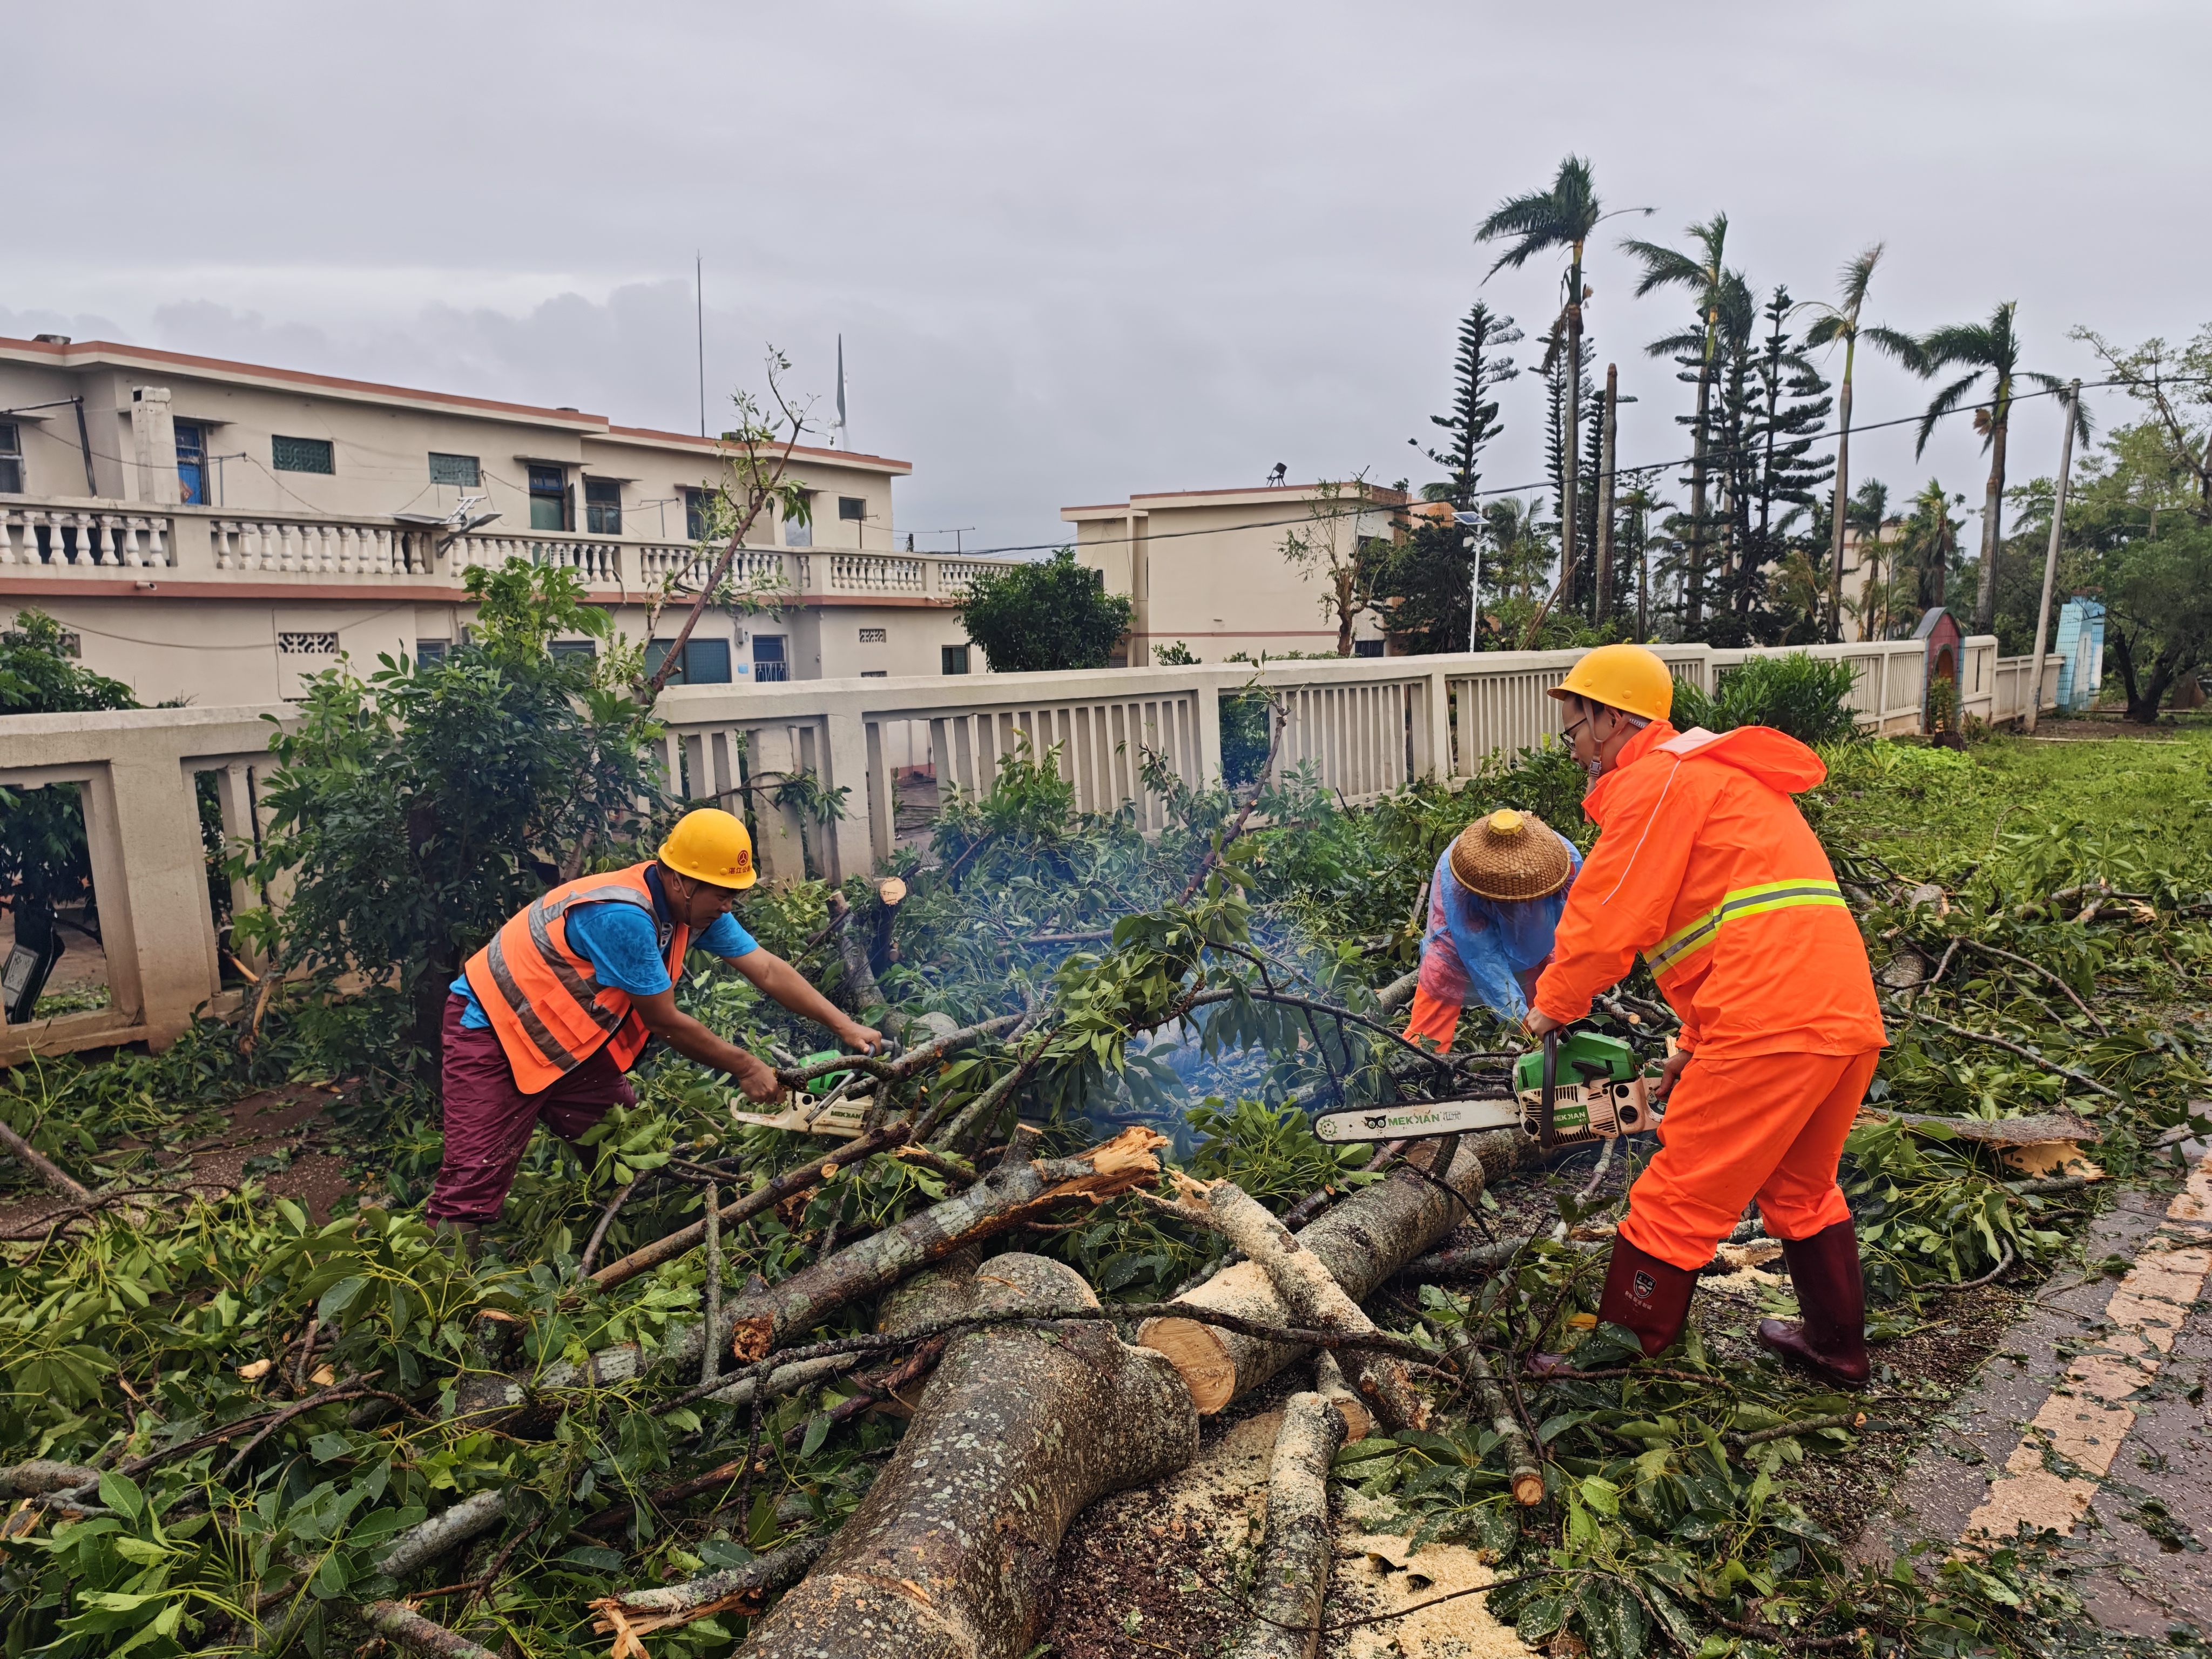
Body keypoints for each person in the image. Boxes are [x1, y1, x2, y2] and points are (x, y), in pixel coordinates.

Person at [1523, 644, 1885, 1386]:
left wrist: (1551, 1009)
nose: (1574, 748)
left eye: (1575, 728)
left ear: (1613, 719)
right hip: (1837, 1018)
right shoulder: (1714, 782)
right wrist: (1695, 1041)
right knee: (1802, 1191)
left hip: (1771, 1022)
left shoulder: (1658, 782)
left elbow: (1605, 918)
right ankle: (1837, 1347)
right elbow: (1736, 926)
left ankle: (1618, 1359)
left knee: (1675, 1194)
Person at [428, 807, 881, 1253]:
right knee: (474, 1179)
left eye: (732, 895)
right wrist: (744, 1065)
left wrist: (845, 1026)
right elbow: (663, 1021)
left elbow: (765, 967)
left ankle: (631, 1256)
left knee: (623, 1156)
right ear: (680, 880)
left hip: (568, 1044)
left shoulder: (691, 907)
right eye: (720, 894)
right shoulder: (622, 917)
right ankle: (449, 1303)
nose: (727, 906)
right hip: (493, 1031)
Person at [1404, 808, 1581, 1051]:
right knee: (1440, 979)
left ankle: (1543, 1059)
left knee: (1543, 991)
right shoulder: (1462, 881)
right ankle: (1419, 1065)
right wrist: (1520, 1023)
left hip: (1538, 934)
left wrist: (1560, 1003)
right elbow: (1483, 959)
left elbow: (1579, 923)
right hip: (1459, 944)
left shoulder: (1564, 858)